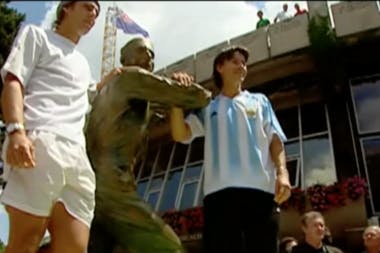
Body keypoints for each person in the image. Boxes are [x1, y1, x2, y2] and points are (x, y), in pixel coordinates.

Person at [85, 37, 210, 253]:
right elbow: (196, 98)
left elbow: (163, 105)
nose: (149, 58)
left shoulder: (115, 92)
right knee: (169, 247)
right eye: (142, 51)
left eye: (152, 55)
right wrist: (184, 86)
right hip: (113, 183)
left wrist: (172, 92)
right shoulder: (131, 78)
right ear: (124, 59)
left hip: (93, 185)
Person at [0, 1, 107, 253]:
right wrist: (16, 130)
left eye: (97, 12)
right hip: (41, 144)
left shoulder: (83, 64)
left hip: (78, 159)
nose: (93, 15)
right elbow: (14, 81)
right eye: (88, 6)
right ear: (66, 8)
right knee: (25, 243)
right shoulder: (37, 36)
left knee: (75, 248)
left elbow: (90, 92)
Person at [170, 45, 291, 253]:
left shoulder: (260, 101)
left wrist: (283, 173)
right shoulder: (208, 106)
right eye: (235, 61)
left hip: (261, 194)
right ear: (219, 67)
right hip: (219, 197)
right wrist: (175, 98)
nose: (241, 66)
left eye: (244, 63)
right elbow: (181, 134)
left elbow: (275, 139)